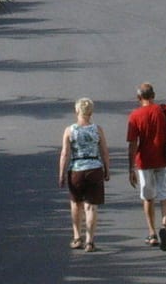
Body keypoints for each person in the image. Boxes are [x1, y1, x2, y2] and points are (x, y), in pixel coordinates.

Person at [126, 82, 166, 251]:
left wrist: (131, 168)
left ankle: (152, 234)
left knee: (148, 198)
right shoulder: (165, 110)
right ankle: (164, 226)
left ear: (138, 97)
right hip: (165, 159)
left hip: (144, 162)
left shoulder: (135, 115)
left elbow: (132, 143)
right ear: (154, 96)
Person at [59, 97, 111, 252]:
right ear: (91, 112)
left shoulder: (70, 130)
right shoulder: (97, 129)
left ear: (77, 111)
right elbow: (104, 151)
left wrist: (61, 174)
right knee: (91, 206)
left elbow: (65, 153)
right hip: (94, 168)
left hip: (76, 169)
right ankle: (90, 241)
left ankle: (77, 237)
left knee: (76, 204)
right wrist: (107, 169)